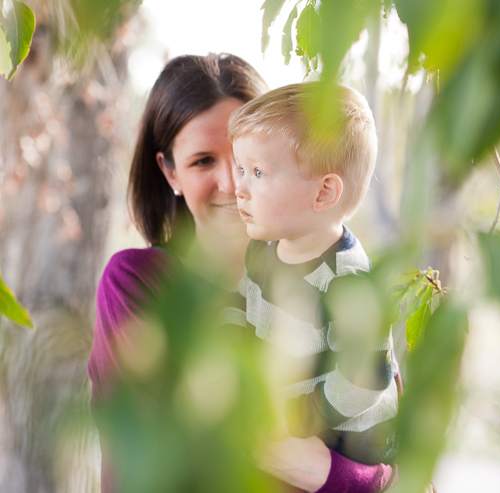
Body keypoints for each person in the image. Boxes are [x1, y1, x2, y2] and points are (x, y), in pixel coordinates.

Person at [87, 54, 397, 493]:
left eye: (250, 165)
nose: (234, 184)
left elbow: (394, 443)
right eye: (202, 162)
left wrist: (348, 475)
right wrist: (355, 481)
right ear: (168, 171)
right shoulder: (139, 285)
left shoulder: (335, 279)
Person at [225, 82, 397, 466]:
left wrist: (289, 417)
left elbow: (363, 382)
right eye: (240, 168)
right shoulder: (263, 250)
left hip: (348, 444)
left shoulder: (349, 283)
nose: (239, 188)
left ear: (323, 194)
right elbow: (242, 301)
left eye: (258, 172)